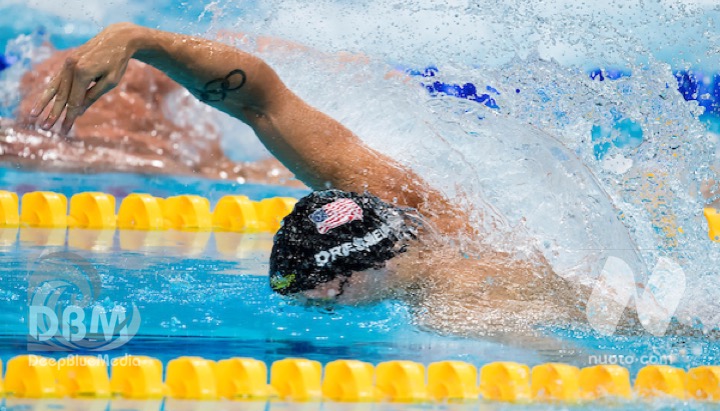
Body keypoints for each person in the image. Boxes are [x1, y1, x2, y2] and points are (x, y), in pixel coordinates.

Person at [31, 23, 589, 339]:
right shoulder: (409, 203)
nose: (321, 313)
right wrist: (135, 41)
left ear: (346, 281)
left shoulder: (454, 310)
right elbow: (260, 100)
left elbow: (584, 383)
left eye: (320, 305)